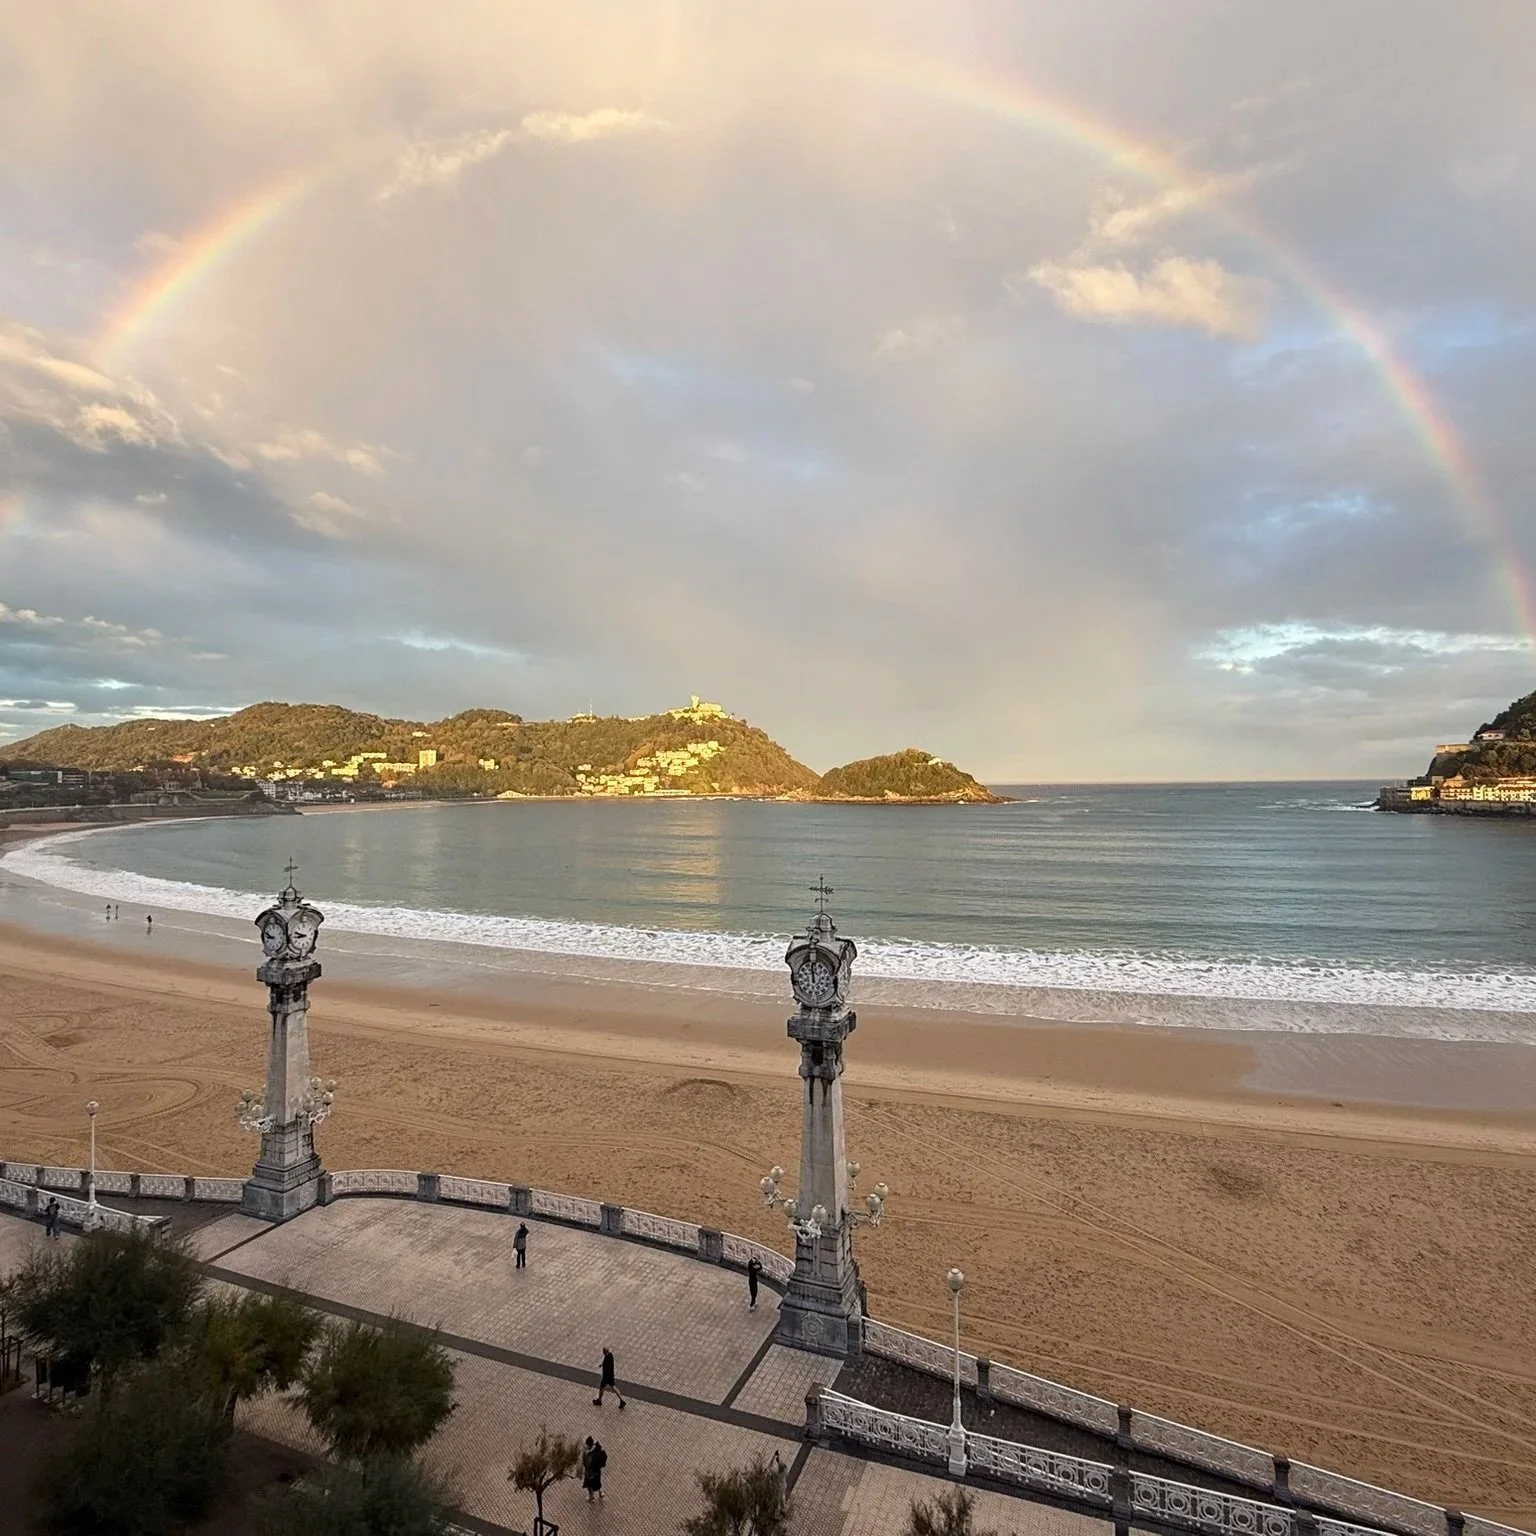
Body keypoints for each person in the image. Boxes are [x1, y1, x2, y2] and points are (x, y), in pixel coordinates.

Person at [581, 1436, 599, 1502]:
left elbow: (585, 1462)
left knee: (588, 1484)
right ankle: (600, 1492)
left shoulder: (586, 1452)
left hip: (589, 1470)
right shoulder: (596, 1449)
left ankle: (591, 1497)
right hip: (596, 1468)